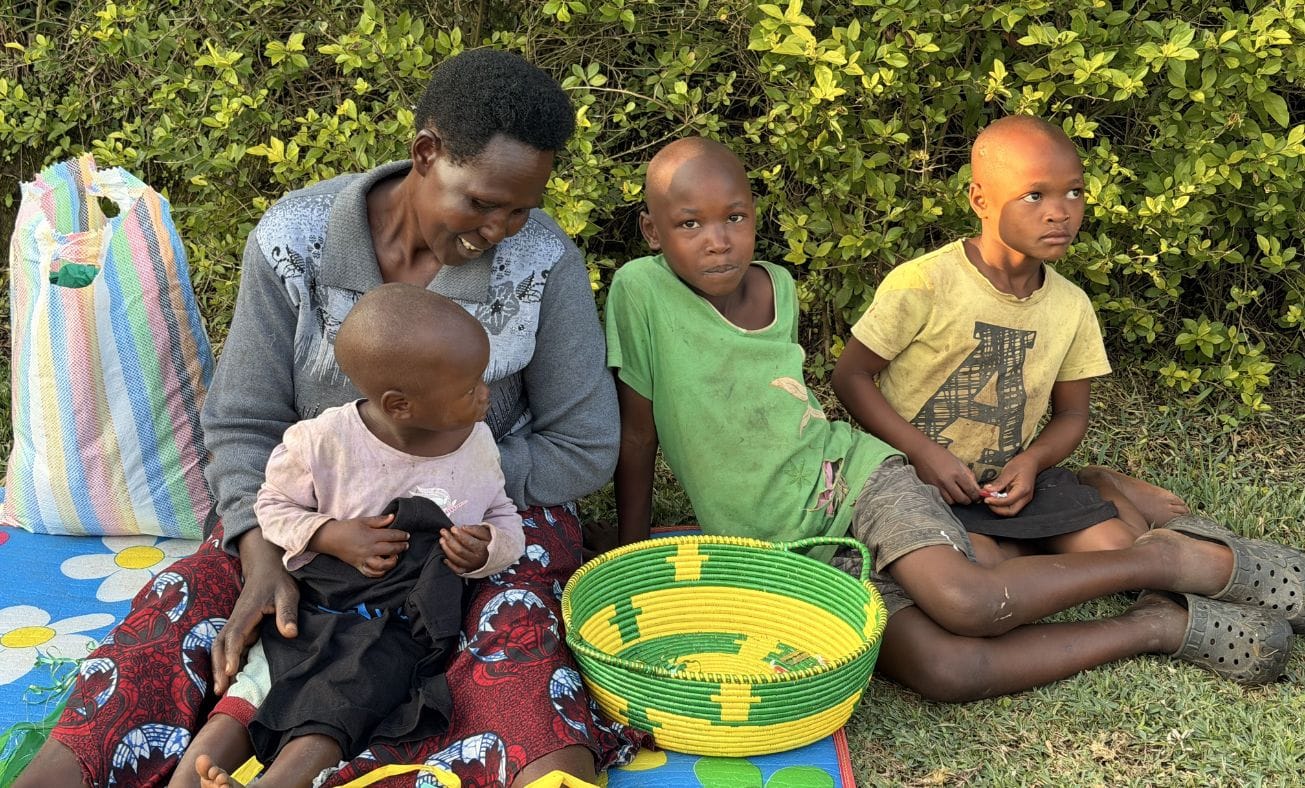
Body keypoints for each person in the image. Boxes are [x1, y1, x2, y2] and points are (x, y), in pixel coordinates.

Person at [18, 49, 648, 788]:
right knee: (185, 607)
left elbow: (582, 446)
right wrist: (260, 553)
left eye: (522, 206)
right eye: (481, 202)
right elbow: (243, 420)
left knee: (514, 631)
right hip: (309, 511)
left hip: (482, 515)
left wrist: (431, 486)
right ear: (425, 154)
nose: (503, 226)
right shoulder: (296, 239)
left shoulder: (542, 263)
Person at [606, 135, 1303, 706]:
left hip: (856, 480)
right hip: (794, 549)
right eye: (689, 224)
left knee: (968, 602)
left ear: (756, 214)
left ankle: (1165, 556)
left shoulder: (778, 286)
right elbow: (639, 434)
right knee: (948, 672)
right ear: (650, 230)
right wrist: (629, 556)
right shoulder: (639, 292)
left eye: (734, 218)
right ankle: (1153, 624)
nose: (718, 241)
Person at [189, 284, 526, 788]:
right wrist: (328, 535)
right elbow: (271, 507)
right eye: (469, 388)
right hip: (314, 605)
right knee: (258, 681)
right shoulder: (323, 443)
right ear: (401, 404)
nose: (487, 394)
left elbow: (503, 513)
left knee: (345, 697)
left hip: (397, 627)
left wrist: (487, 547)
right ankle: (192, 776)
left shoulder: (476, 444)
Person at [830, 114, 1170, 558]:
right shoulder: (925, 282)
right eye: (1034, 195)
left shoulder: (1071, 306)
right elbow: (850, 376)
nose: (1059, 212)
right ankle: (1087, 495)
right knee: (984, 567)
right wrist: (921, 452)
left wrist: (1030, 462)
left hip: (1013, 482)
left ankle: (1098, 484)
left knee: (1116, 548)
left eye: (1075, 192)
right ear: (980, 200)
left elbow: (1071, 415)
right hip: (916, 478)